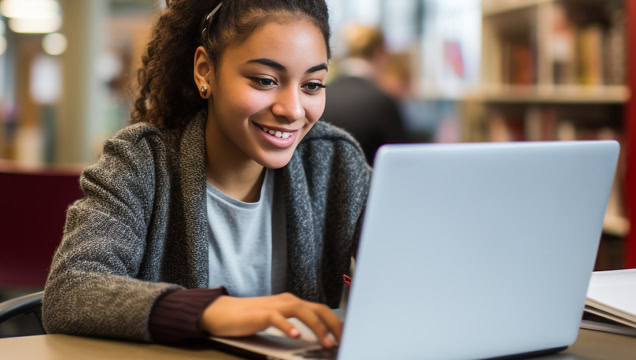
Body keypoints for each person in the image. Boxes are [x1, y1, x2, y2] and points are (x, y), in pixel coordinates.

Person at [42, 0, 370, 348]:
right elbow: (71, 289)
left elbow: (414, 272)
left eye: (312, 85)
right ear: (205, 71)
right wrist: (212, 311)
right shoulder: (142, 162)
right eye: (264, 80)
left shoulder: (335, 162)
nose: (292, 109)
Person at [323, 24, 409, 165]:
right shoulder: (381, 102)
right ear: (379, 53)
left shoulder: (321, 96)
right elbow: (402, 160)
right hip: (371, 185)